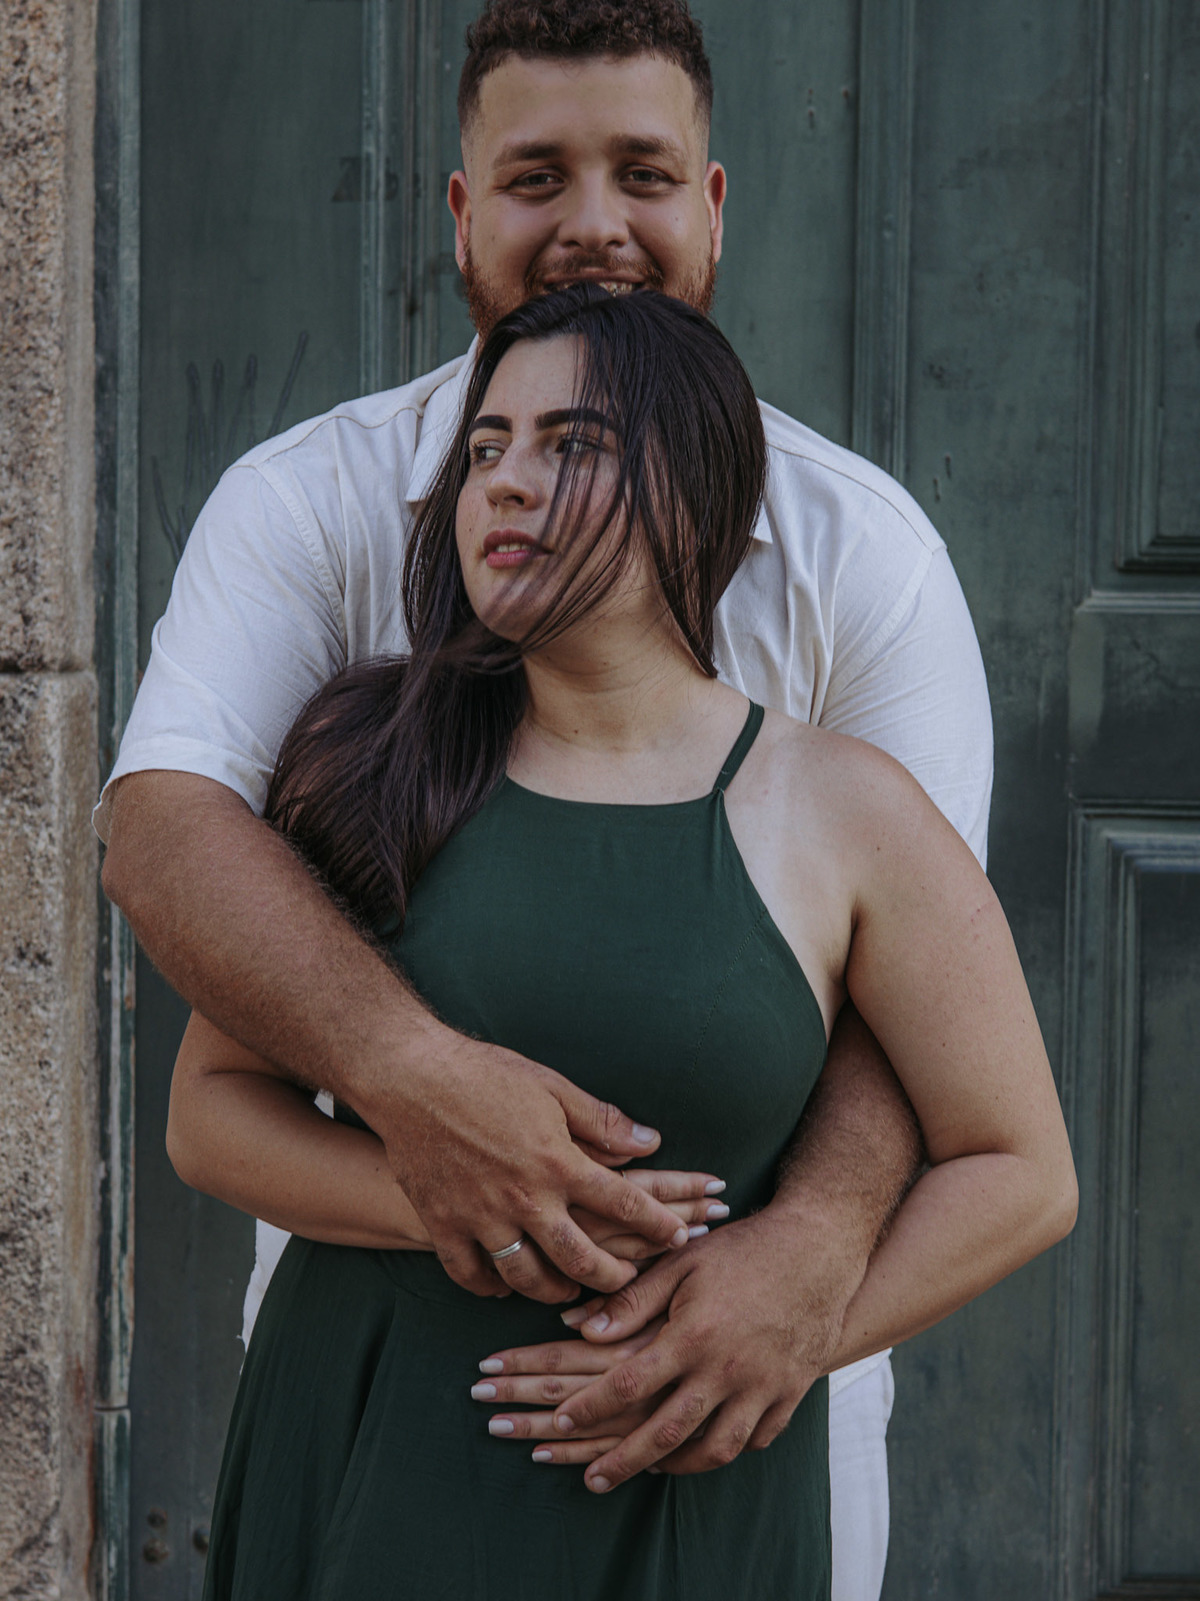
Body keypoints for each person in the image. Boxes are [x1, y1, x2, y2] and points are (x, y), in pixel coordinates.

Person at [99, 4, 994, 1596]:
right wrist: (421, 1094)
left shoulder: (869, 560)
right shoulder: (311, 514)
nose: (594, 223)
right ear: (462, 212)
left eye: (641, 172)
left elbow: (925, 1021)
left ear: (712, 203)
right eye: (536, 177)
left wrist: (808, 1253)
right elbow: (164, 829)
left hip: (745, 1393)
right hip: (372, 1384)